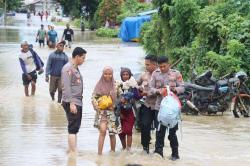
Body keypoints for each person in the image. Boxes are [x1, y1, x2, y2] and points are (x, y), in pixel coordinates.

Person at [149, 56, 184, 161]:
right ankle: (158, 154)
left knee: (172, 133)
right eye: (160, 66)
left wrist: (174, 90)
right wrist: (158, 91)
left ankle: (175, 154)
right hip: (159, 107)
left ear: (169, 64)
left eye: (164, 66)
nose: (162, 68)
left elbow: (182, 87)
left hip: (173, 109)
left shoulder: (176, 74)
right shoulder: (155, 74)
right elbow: (150, 88)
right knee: (159, 132)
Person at [61, 47, 87, 153]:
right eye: (83, 58)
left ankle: (72, 150)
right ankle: (73, 153)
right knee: (73, 128)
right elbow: (66, 87)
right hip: (72, 102)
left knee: (74, 128)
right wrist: (71, 103)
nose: (84, 60)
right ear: (77, 57)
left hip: (77, 101)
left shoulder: (75, 67)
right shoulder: (68, 68)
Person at [92, 67, 118, 155]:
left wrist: (114, 106)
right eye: (105, 74)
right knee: (102, 131)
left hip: (112, 113)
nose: (107, 75)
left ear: (112, 74)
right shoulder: (99, 84)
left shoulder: (116, 85)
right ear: (102, 74)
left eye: (110, 74)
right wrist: (97, 106)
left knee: (112, 133)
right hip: (102, 112)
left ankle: (113, 153)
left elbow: (122, 98)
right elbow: (93, 97)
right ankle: (99, 154)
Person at [137, 54, 158, 154]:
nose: (146, 66)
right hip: (147, 104)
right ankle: (145, 148)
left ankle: (159, 150)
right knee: (144, 126)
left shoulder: (161, 75)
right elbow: (136, 84)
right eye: (145, 64)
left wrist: (147, 92)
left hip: (159, 106)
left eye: (148, 64)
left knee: (159, 128)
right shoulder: (143, 75)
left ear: (155, 64)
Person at [116, 67, 139, 152]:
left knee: (128, 130)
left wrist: (129, 97)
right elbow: (115, 98)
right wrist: (118, 113)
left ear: (130, 75)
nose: (125, 76)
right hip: (120, 112)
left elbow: (137, 96)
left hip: (130, 112)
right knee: (121, 132)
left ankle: (129, 150)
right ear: (121, 76)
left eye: (127, 74)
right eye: (123, 74)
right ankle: (124, 148)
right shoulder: (118, 85)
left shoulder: (133, 85)